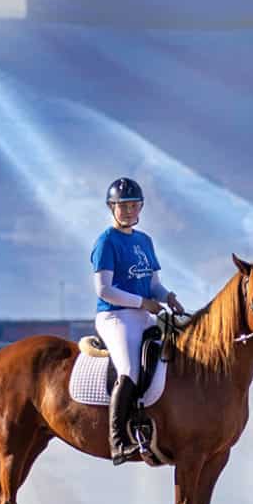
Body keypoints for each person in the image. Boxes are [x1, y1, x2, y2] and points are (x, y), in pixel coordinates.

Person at [91, 178, 180, 465]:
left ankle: (151, 425)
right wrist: (143, 302)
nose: (128, 211)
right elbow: (104, 289)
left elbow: (154, 285)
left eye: (133, 205)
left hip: (143, 315)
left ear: (140, 206)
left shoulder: (145, 241)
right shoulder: (106, 242)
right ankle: (117, 442)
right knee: (129, 370)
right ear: (111, 207)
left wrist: (168, 297)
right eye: (122, 206)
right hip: (114, 316)